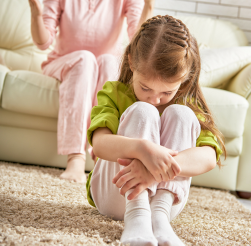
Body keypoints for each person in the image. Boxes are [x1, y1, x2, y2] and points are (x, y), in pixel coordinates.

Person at [17, 0, 166, 184]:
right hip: (63, 62)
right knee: (86, 59)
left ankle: (102, 155)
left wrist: (149, 5)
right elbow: (43, 42)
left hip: (101, 65)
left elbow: (138, 41)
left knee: (110, 62)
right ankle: (75, 158)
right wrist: (37, 15)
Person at [86, 15, 226, 246]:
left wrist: (154, 171)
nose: (155, 98)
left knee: (182, 115)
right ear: (131, 63)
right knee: (142, 111)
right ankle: (137, 215)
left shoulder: (186, 103)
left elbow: (209, 157)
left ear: (184, 79)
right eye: (145, 87)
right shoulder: (115, 92)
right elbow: (99, 144)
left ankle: (159, 221)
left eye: (167, 92)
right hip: (114, 195)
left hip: (165, 203)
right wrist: (143, 150)